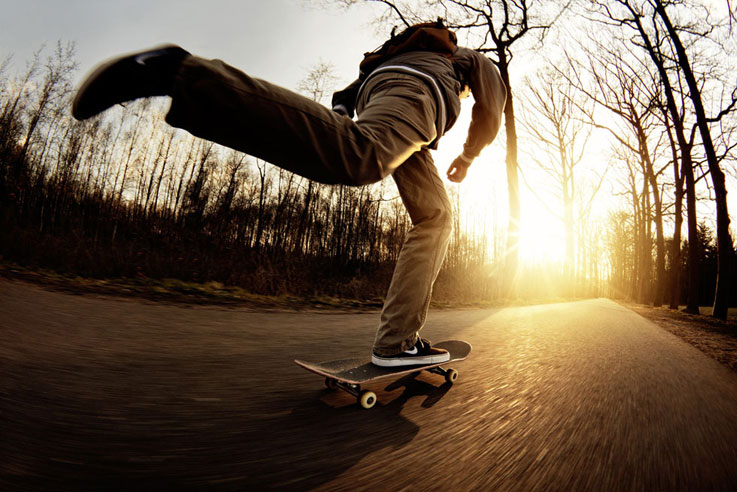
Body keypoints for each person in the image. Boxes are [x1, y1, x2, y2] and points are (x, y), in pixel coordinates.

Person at [71, 21, 506, 367]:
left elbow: (344, 97)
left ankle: (397, 342)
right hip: (416, 98)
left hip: (387, 99)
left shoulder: (399, 57)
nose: (463, 93)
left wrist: (336, 115)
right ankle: (184, 75)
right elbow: (492, 109)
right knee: (358, 156)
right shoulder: (467, 59)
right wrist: (468, 158)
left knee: (435, 217)